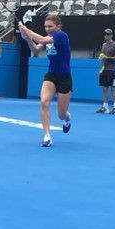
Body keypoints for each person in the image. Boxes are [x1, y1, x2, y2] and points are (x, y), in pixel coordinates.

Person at [18, 14, 72, 147]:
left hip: (64, 78)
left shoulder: (62, 36)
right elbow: (36, 50)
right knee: (44, 103)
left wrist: (26, 30)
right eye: (45, 26)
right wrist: (27, 39)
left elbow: (41, 39)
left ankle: (67, 117)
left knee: (61, 114)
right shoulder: (48, 39)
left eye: (50, 26)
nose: (47, 29)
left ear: (58, 26)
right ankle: (47, 136)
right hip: (51, 76)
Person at [97, 28, 115, 115]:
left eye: (108, 34)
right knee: (104, 88)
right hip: (104, 70)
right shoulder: (103, 45)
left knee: (113, 88)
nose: (106, 36)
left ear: (111, 35)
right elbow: (103, 58)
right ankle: (105, 107)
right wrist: (100, 70)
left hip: (112, 70)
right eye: (105, 34)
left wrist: (108, 58)